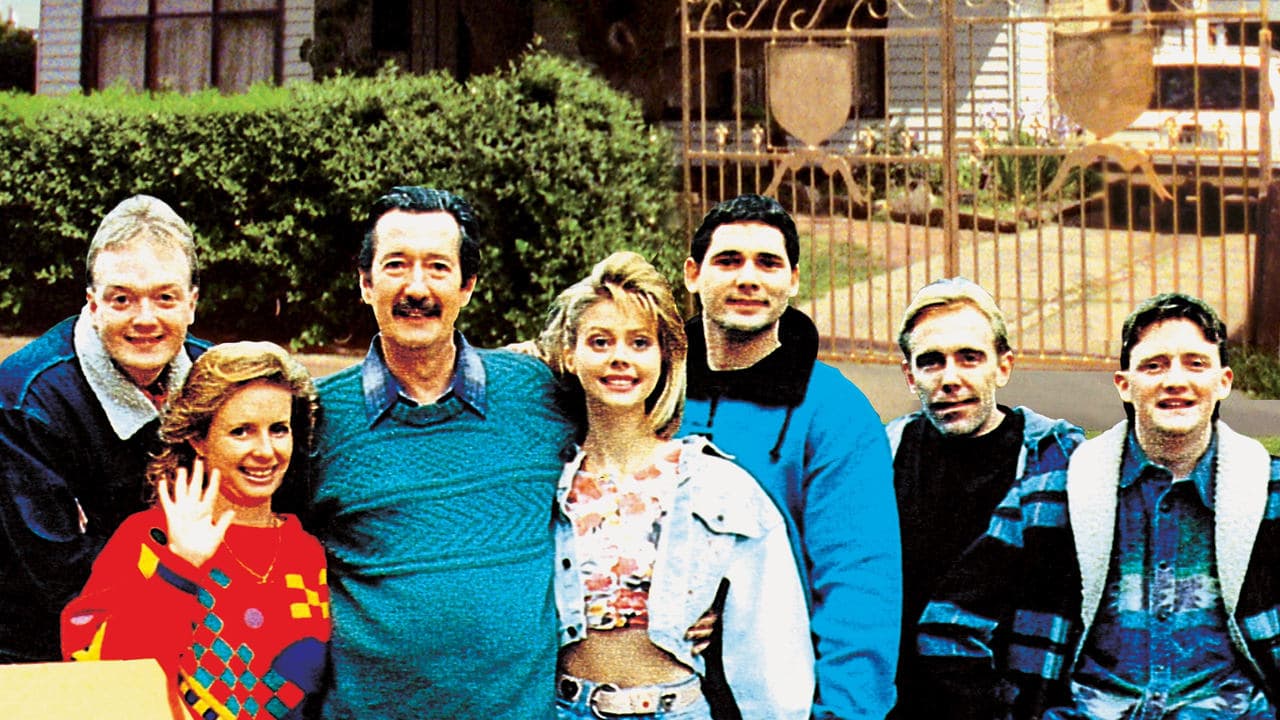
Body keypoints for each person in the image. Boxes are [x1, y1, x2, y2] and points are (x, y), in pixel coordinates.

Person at [917, 292, 1280, 719]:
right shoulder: (1052, 495)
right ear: (1124, 385)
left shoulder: (1269, 495)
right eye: (1154, 365)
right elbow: (947, 627)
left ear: (1224, 382)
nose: (1175, 380)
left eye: (1195, 363)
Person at [307, 186, 577, 719]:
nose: (417, 287)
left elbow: (630, 463)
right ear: (365, 283)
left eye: (437, 267)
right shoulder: (315, 419)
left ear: (467, 285)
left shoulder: (539, 393)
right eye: (396, 265)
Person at [539, 251, 814, 719]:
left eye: (639, 342)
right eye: (600, 341)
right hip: (564, 708)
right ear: (570, 353)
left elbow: (772, 641)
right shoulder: (543, 480)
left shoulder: (716, 483)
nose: (620, 358)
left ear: (665, 356)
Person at [679, 193, 901, 719]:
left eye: (768, 263)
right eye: (728, 260)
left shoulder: (835, 412)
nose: (748, 278)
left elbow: (859, 587)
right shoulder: (649, 387)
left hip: (774, 696)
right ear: (693, 274)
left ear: (794, 279)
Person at [61, 341, 329, 719]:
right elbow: (102, 679)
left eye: (279, 430)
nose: (266, 451)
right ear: (198, 438)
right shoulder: (149, 539)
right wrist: (179, 567)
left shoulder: (309, 552)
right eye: (241, 431)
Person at [0, 194, 208, 663]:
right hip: (45, 653)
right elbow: (62, 576)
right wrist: (181, 562)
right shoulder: (26, 402)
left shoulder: (216, 378)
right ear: (92, 304)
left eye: (165, 297)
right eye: (122, 299)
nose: (145, 319)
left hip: (186, 627)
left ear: (192, 303)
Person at [883, 277, 1083, 719]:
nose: (950, 379)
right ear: (909, 375)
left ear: (1003, 366)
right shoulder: (882, 458)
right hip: (899, 705)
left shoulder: (1057, 461)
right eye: (931, 362)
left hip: (1017, 704)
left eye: (969, 358)